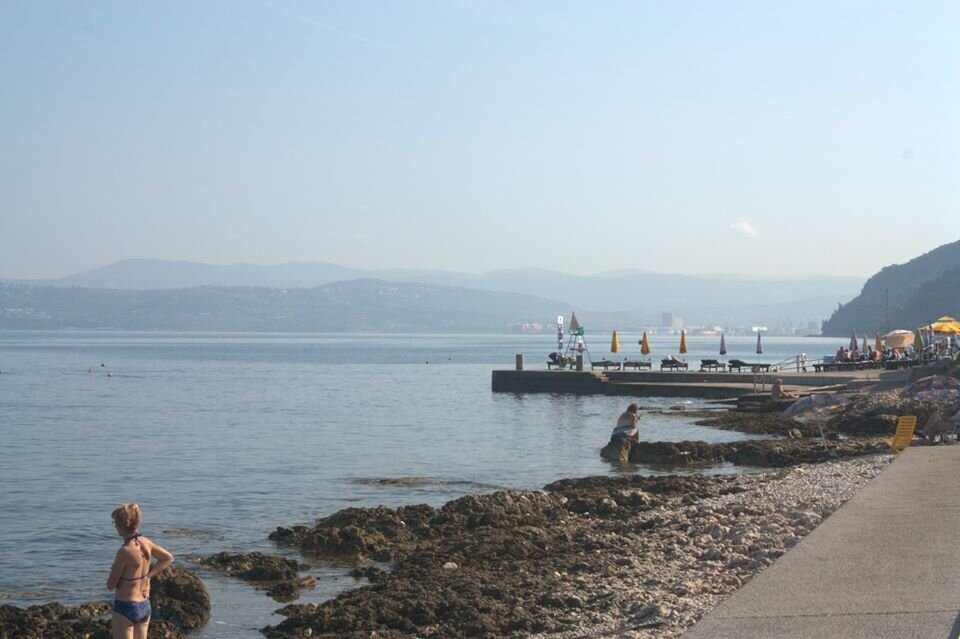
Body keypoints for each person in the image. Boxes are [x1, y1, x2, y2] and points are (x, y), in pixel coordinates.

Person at [108, 503, 174, 638]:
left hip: (125, 606)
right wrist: (148, 576)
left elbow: (111, 585)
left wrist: (114, 568)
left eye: (115, 523)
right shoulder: (145, 542)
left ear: (122, 525)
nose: (114, 526)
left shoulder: (125, 551)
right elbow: (168, 558)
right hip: (144, 605)